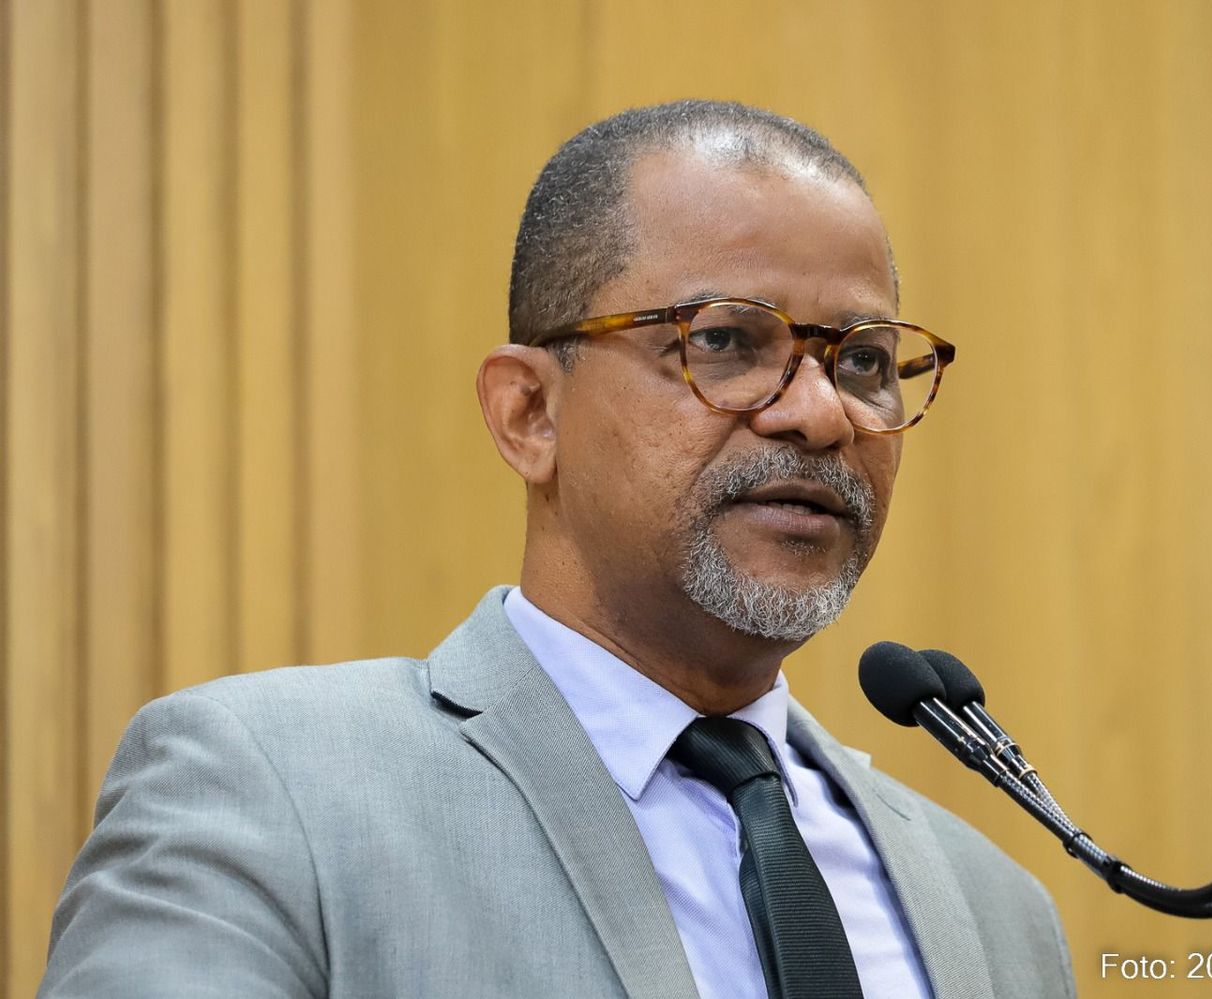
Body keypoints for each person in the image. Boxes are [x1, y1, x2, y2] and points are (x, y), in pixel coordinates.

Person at [41, 100, 1074, 999]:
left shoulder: (999, 908)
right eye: (724, 341)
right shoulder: (265, 793)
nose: (820, 412)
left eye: (865, 361)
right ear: (529, 412)